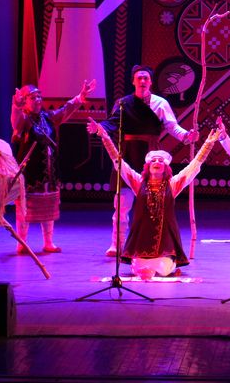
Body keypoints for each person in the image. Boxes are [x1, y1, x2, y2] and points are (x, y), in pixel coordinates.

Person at [88, 119, 218, 280]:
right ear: (148, 166)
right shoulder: (138, 182)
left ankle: (166, 267)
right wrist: (105, 136)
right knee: (138, 267)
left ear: (166, 167)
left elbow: (194, 166)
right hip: (142, 240)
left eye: (161, 161)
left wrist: (209, 143)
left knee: (162, 268)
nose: (157, 162)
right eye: (154, 160)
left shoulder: (173, 184)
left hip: (164, 242)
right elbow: (118, 162)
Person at [93, 64, 199, 256]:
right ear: (133, 81)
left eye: (146, 78)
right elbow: (112, 123)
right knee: (122, 203)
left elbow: (172, 127)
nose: (142, 81)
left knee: (153, 204)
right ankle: (117, 244)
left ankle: (152, 243)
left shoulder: (160, 103)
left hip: (151, 157)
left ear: (150, 82)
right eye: (139, 78)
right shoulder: (123, 103)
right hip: (128, 153)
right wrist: (100, 128)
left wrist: (186, 136)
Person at [10, 78, 95, 254]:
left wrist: (80, 97)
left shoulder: (47, 117)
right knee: (24, 207)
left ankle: (48, 242)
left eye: (39, 97)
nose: (38, 100)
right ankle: (21, 243)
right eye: (33, 97)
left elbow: (65, 110)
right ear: (25, 101)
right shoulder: (24, 119)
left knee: (49, 204)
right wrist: (16, 106)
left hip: (49, 171)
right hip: (29, 172)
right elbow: (16, 122)